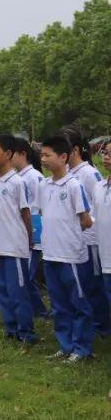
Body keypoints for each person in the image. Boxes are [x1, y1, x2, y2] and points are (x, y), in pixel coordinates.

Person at [39, 135, 94, 362]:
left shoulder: (74, 185)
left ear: (63, 157)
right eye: (41, 155)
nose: (42, 159)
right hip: (50, 253)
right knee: (59, 304)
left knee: (79, 303)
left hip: (71, 255)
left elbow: (86, 220)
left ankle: (82, 348)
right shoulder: (44, 185)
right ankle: (66, 345)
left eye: (47, 155)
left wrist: (68, 236)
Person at [0, 135, 36, 343]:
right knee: (3, 291)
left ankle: (26, 332)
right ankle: (11, 328)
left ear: (7, 154)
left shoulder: (17, 182)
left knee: (18, 292)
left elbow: (25, 213)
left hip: (14, 247)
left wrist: (29, 238)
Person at [62, 126, 109, 336]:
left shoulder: (89, 174)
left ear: (76, 149)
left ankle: (102, 326)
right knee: (82, 286)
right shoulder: (67, 174)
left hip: (91, 241)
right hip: (75, 241)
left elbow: (99, 208)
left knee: (94, 286)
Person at [11, 136, 50, 318]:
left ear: (22, 154)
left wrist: (35, 235)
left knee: (27, 274)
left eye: (12, 153)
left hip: (33, 231)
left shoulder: (35, 177)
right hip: (22, 231)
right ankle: (40, 311)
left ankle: (38, 311)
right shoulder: (18, 177)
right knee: (28, 275)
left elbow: (43, 208)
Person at [94, 143, 111, 333]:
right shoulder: (99, 187)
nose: (106, 156)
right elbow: (92, 217)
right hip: (105, 255)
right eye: (105, 152)